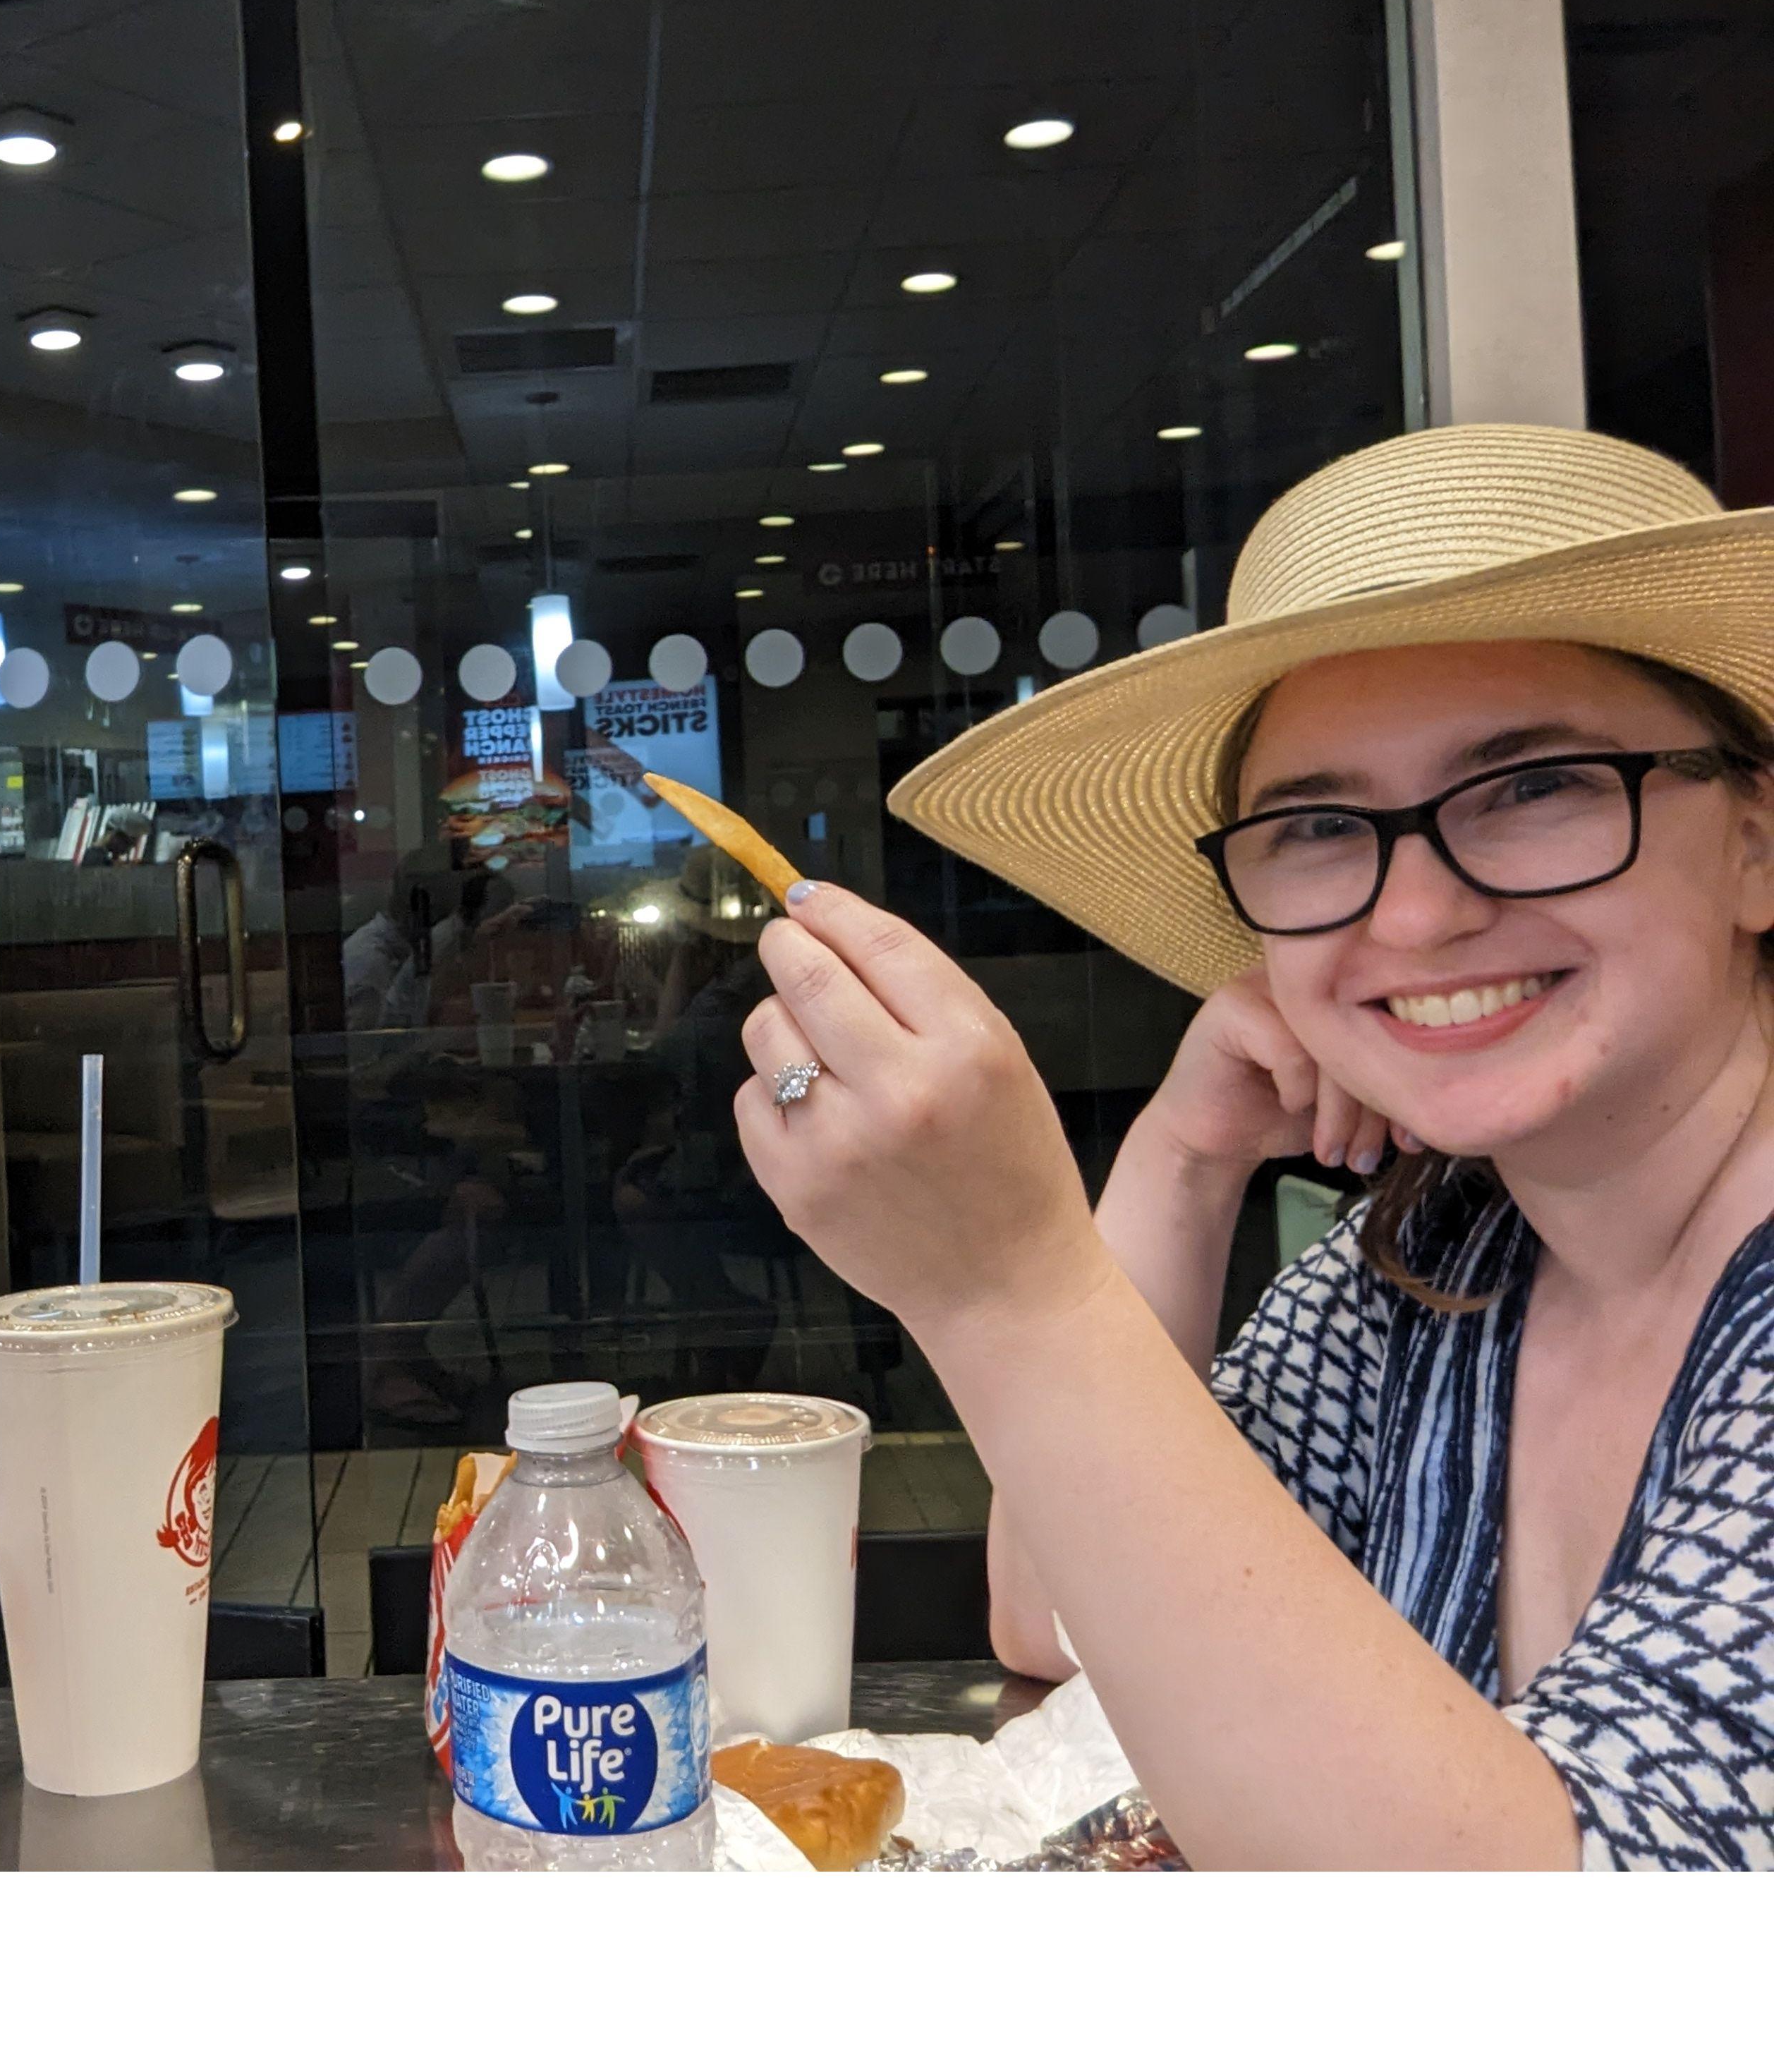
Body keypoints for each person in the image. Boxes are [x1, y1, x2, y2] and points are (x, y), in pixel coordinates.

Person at [738, 425, 1774, 1868]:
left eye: (1536, 787)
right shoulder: (1436, 1256)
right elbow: (1067, 1615)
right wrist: (1183, 1156)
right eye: (1316, 827)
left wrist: (1014, 1290)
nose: (1413, 918)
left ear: (1754, 840)